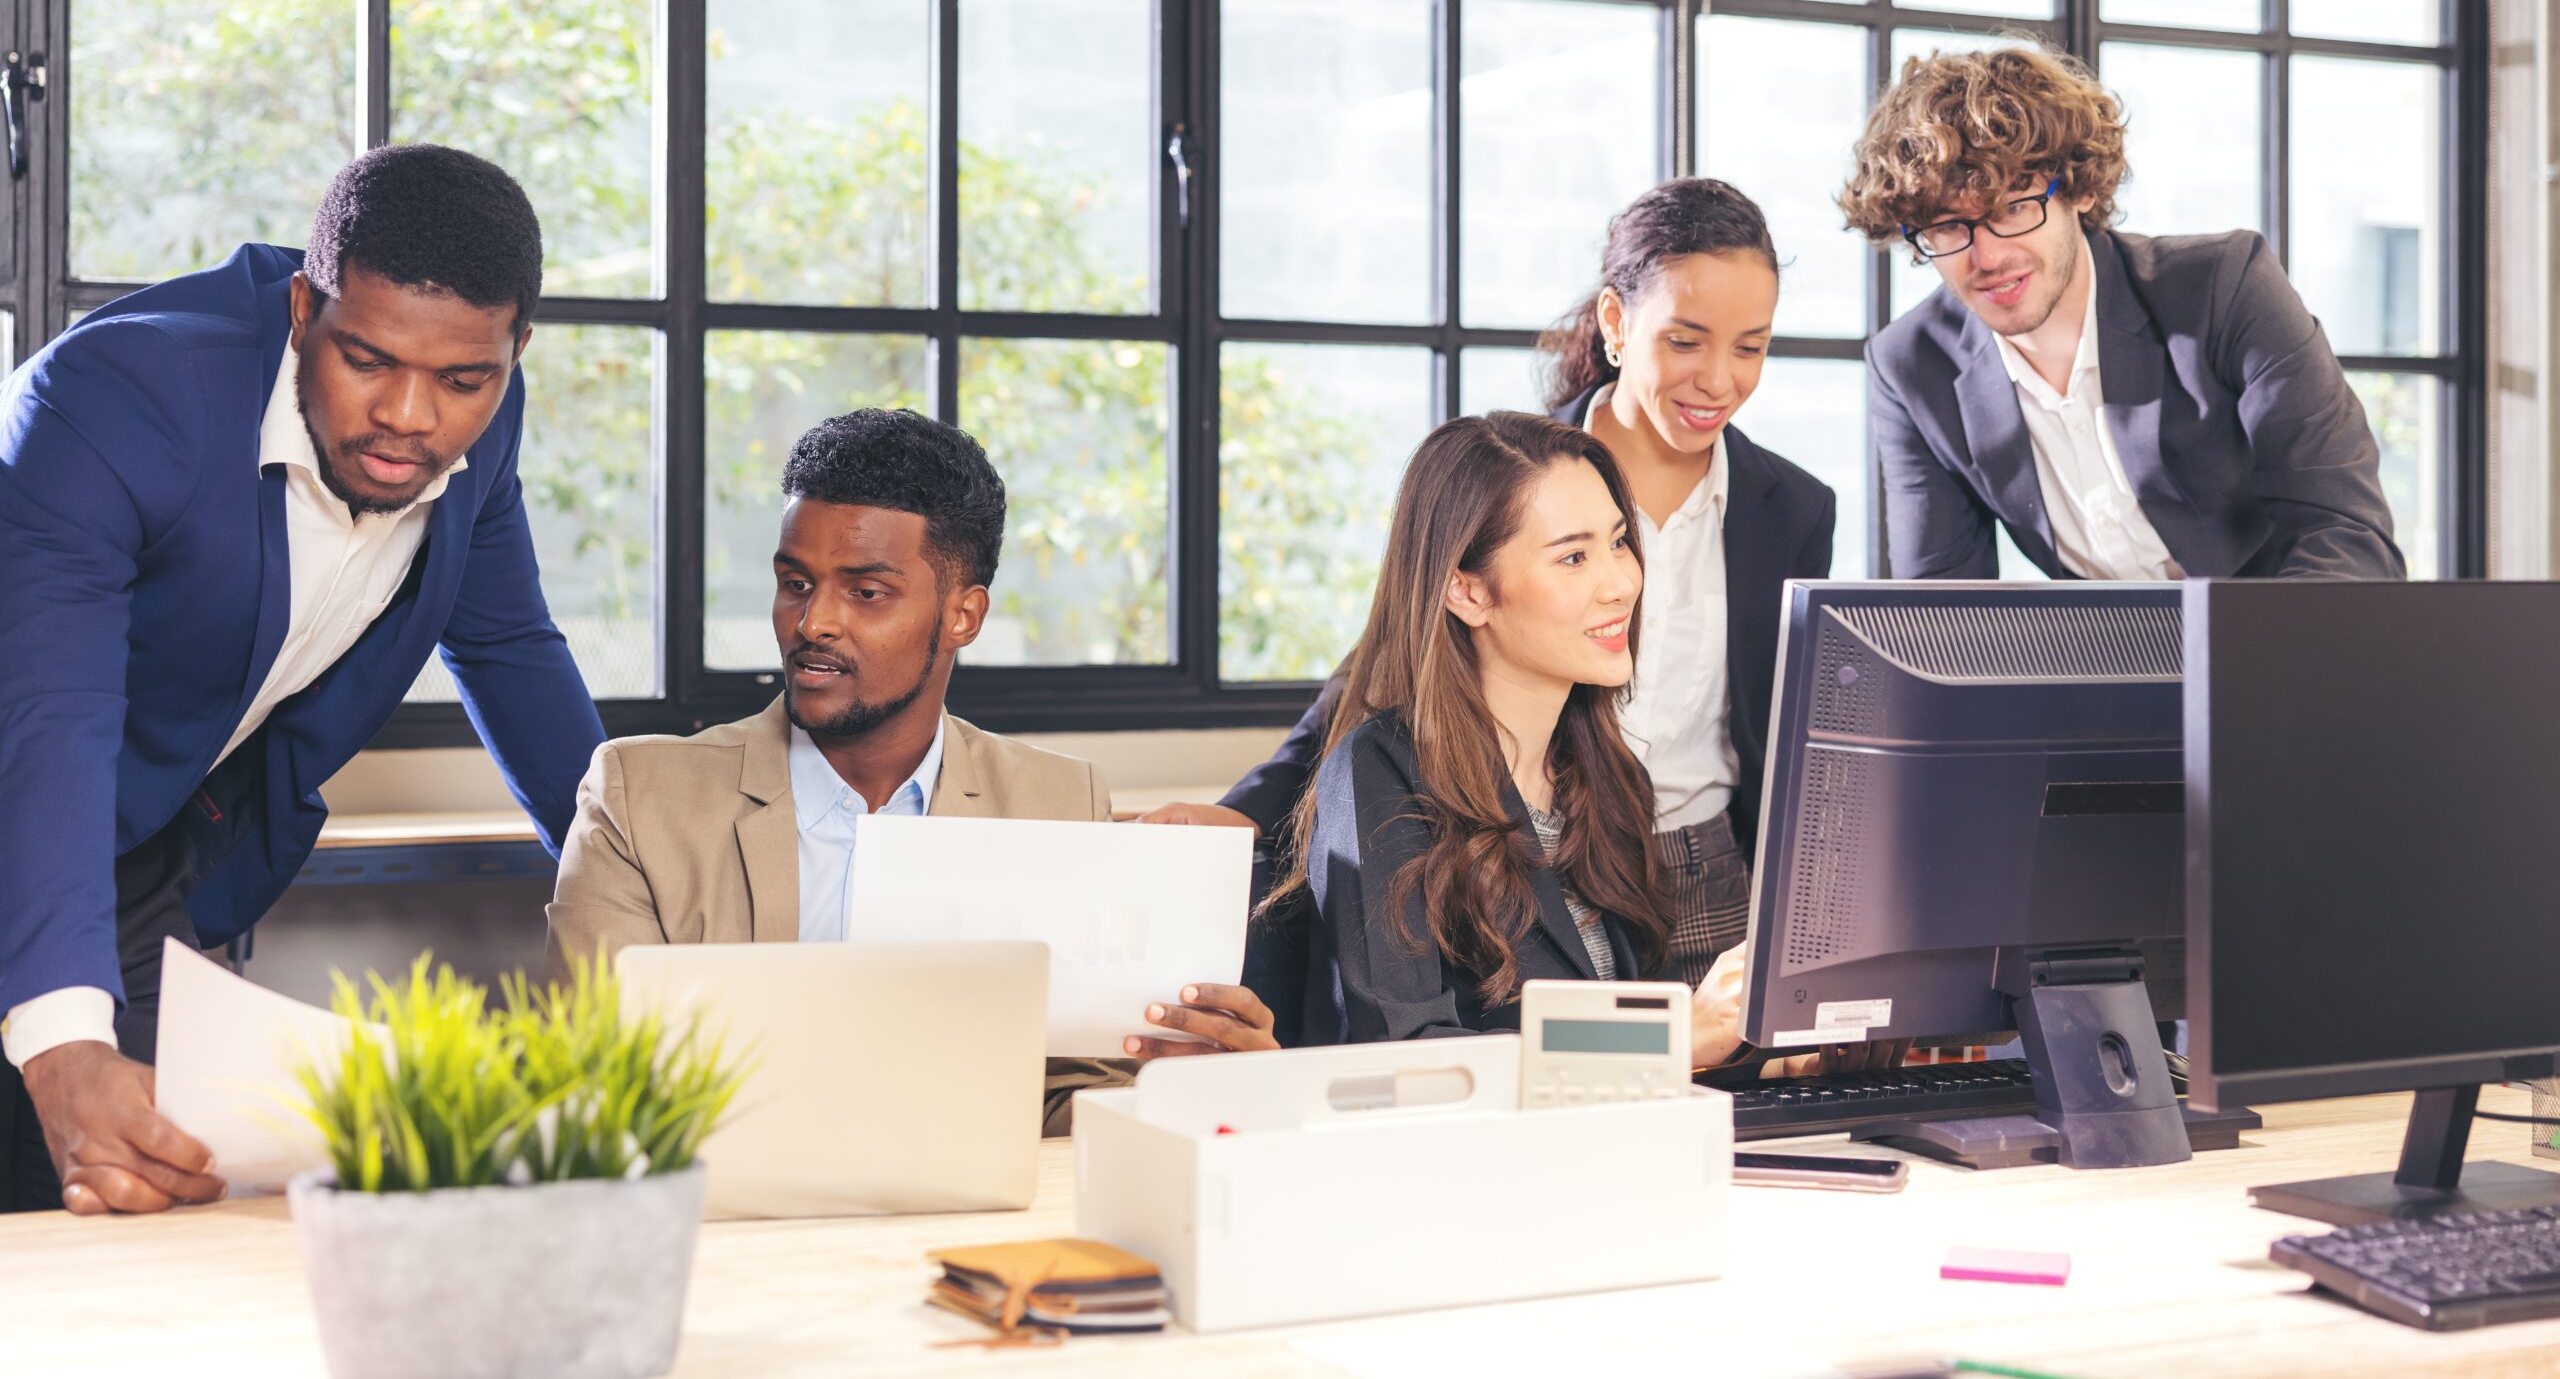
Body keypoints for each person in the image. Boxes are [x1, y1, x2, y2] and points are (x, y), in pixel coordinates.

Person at [0, 145, 608, 1216]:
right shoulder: (115, 399)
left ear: (514, 351)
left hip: (134, 857)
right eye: (367, 359)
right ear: (301, 308)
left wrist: (658, 893)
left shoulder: (484, 418)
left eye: (464, 378)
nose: (412, 416)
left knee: (162, 1200)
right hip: (33, 790)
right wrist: (59, 1043)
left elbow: (511, 648)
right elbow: (52, 717)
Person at [1156, 179, 1834, 994]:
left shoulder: (1792, 507)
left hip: (1705, 872)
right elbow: (1393, 654)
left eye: (1750, 348)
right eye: (1686, 342)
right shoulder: (1523, 473)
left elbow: (1795, 728)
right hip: (1538, 846)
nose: (1719, 380)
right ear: (1617, 323)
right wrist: (1249, 809)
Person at [543, 408, 1275, 1135]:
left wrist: (1176, 1085)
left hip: (969, 1223)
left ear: (963, 616)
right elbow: (597, 1079)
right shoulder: (638, 797)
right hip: (727, 1221)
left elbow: (1062, 1101)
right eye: (796, 583)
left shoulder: (1058, 800)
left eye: (866, 592)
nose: (813, 623)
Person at [1268, 412, 1757, 1062]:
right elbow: (1406, 1052)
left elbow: (1646, 1047)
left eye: (1619, 541)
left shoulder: (1610, 776)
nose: (1621, 582)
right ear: (1466, 591)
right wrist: (1672, 1038)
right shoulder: (1378, 772)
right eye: (1574, 557)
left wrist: (1768, 1050)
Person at [1841, 41, 2404, 582]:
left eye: (2013, 209)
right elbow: (1941, 611)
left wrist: (2251, 675)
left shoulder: (2224, 285)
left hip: (2269, 646)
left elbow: (2343, 534)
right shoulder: (1912, 366)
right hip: (2094, 667)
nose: (1987, 256)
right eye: (1945, 227)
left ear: (2079, 189)